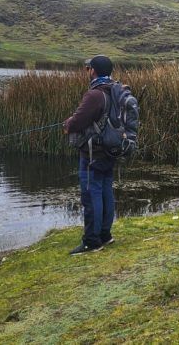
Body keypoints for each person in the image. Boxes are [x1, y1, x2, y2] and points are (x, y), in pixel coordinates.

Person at [63, 55, 117, 255]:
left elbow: (77, 122)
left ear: (93, 71)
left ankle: (92, 241)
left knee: (91, 193)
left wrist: (68, 124)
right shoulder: (115, 90)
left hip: (93, 152)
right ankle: (105, 234)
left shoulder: (94, 94)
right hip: (111, 149)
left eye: (88, 69)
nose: (87, 72)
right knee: (105, 191)